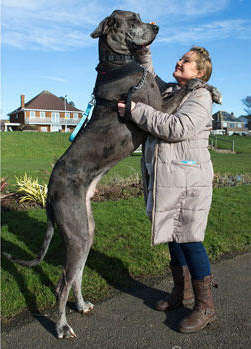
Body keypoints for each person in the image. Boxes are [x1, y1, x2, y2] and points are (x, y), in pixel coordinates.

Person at [117, 46, 219, 333]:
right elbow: (151, 81)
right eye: (180, 58)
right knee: (173, 237)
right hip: (170, 178)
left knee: (190, 240)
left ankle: (205, 306)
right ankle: (182, 292)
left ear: (199, 72)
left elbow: (176, 127)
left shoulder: (200, 96)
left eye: (186, 61)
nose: (179, 61)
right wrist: (143, 53)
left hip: (189, 180)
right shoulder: (173, 92)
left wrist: (136, 111)